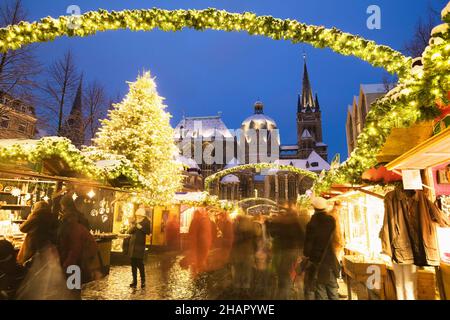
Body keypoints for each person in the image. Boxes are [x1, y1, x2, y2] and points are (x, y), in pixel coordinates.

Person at [303, 197, 340, 300]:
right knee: (333, 290)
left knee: (320, 290)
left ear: (314, 208)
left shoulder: (312, 224)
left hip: (317, 262)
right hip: (331, 262)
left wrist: (307, 255)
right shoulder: (331, 220)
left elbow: (307, 249)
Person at [57, 208, 99, 298]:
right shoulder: (78, 228)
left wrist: (67, 264)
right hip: (78, 261)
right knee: (74, 288)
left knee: (73, 289)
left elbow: (75, 249)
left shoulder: (74, 230)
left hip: (75, 263)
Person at [266, 208, 303, 300]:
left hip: (281, 251)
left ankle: (283, 293)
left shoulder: (280, 223)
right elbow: (302, 238)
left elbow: (272, 234)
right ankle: (289, 293)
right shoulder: (296, 223)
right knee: (290, 276)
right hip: (292, 251)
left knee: (283, 275)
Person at [17, 201, 58, 265]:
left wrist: (30, 216)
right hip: (45, 245)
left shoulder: (36, 216)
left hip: (33, 244)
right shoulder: (51, 217)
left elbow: (22, 228)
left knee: (28, 263)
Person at [230, 211, 257, 299]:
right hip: (246, 254)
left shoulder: (236, 229)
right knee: (245, 272)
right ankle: (244, 289)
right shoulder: (250, 230)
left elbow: (233, 242)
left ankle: (238, 289)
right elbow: (255, 241)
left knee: (239, 272)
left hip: (240, 254)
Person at [182, 207, 212, 276]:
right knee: (199, 259)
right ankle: (198, 272)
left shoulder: (196, 221)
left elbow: (192, 233)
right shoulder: (200, 221)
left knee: (198, 258)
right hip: (200, 244)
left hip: (198, 244)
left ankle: (197, 272)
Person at [128, 208, 151, 288]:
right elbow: (129, 231)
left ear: (142, 216)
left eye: (138, 216)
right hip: (132, 245)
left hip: (140, 245)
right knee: (133, 264)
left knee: (140, 264)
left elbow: (148, 232)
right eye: (136, 215)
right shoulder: (135, 221)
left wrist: (140, 227)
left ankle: (143, 281)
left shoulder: (146, 222)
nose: (137, 217)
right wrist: (133, 226)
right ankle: (134, 281)